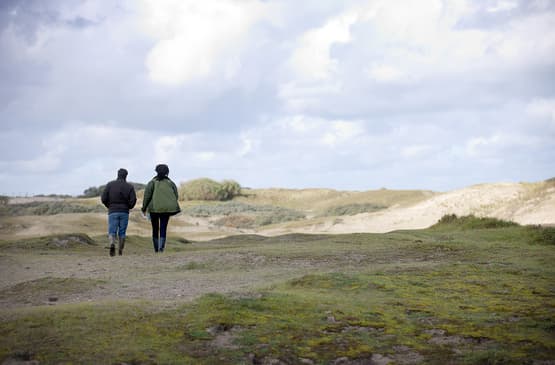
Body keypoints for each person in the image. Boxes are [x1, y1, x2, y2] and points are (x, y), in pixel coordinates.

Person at [141, 164, 181, 253]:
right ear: (167, 172)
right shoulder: (171, 183)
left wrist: (143, 208)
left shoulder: (152, 182)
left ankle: (156, 249)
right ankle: (161, 248)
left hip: (154, 209)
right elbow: (176, 196)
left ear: (156, 171)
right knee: (163, 228)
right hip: (166, 210)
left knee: (155, 228)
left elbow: (147, 196)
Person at [101, 168, 137, 256]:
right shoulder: (129, 187)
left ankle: (112, 244)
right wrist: (128, 207)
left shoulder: (110, 185)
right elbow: (133, 200)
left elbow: (103, 198)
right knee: (122, 232)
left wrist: (109, 206)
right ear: (126, 176)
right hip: (124, 211)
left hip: (113, 211)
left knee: (112, 231)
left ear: (117, 174)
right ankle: (120, 251)